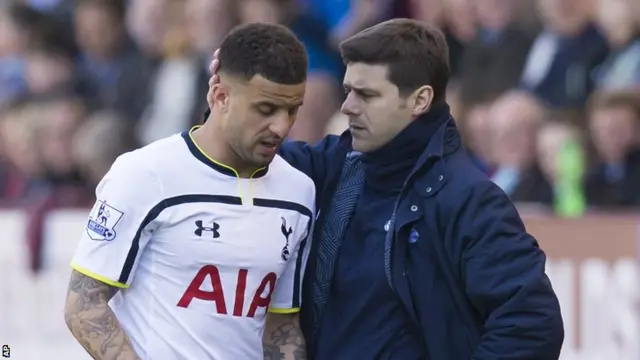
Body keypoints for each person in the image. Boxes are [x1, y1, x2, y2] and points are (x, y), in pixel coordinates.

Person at [209, 18, 564, 359]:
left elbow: (532, 321)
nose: (348, 107)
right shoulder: (336, 166)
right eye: (348, 91)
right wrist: (229, 99)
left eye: (366, 95)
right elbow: (239, 152)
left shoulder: (468, 200)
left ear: (419, 100)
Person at [64, 22, 312, 360]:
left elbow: (281, 325)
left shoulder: (298, 192)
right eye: (266, 109)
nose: (281, 126)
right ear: (220, 95)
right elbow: (84, 304)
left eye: (293, 109)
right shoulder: (145, 173)